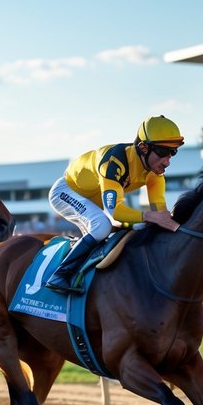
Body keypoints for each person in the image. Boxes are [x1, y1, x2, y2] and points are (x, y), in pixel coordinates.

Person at [44, 115, 184, 292]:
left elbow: (162, 216)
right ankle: (59, 275)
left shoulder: (155, 174)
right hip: (66, 191)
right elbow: (114, 212)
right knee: (102, 226)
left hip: (94, 202)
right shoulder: (114, 162)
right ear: (143, 147)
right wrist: (148, 216)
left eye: (173, 152)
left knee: (131, 230)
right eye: (163, 152)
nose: (168, 160)